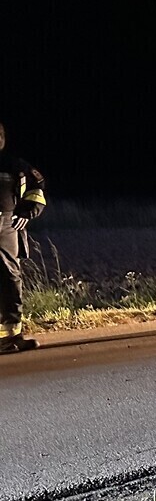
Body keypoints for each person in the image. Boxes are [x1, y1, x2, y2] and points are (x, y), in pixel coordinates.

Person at [0, 122, 47, 354]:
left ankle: (11, 337)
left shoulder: (15, 165)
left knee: (10, 277)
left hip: (7, 225)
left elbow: (37, 188)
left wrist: (27, 212)